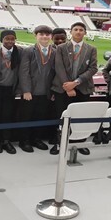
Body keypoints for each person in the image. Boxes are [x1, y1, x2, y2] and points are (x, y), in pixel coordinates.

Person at [50, 22, 98, 155]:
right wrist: (67, 85)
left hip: (82, 88)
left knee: (80, 117)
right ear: (71, 32)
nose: (78, 32)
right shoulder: (61, 48)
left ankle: (80, 142)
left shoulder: (91, 49)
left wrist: (75, 83)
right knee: (62, 116)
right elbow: (59, 67)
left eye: (81, 30)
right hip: (62, 88)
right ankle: (59, 144)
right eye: (75, 29)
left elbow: (93, 68)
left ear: (85, 33)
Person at [19, 25, 56, 152]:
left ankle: (36, 139)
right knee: (26, 117)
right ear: (36, 36)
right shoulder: (29, 51)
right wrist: (26, 90)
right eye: (41, 34)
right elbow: (24, 72)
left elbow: (56, 73)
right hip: (31, 92)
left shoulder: (55, 51)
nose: (44, 37)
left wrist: (53, 90)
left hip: (46, 92)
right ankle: (24, 141)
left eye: (47, 34)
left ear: (51, 36)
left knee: (41, 116)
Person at [0, 30, 22, 154]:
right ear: (1, 39)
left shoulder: (20, 52)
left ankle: (6, 141)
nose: (10, 41)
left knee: (7, 116)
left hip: (10, 89)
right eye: (7, 39)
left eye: (12, 39)